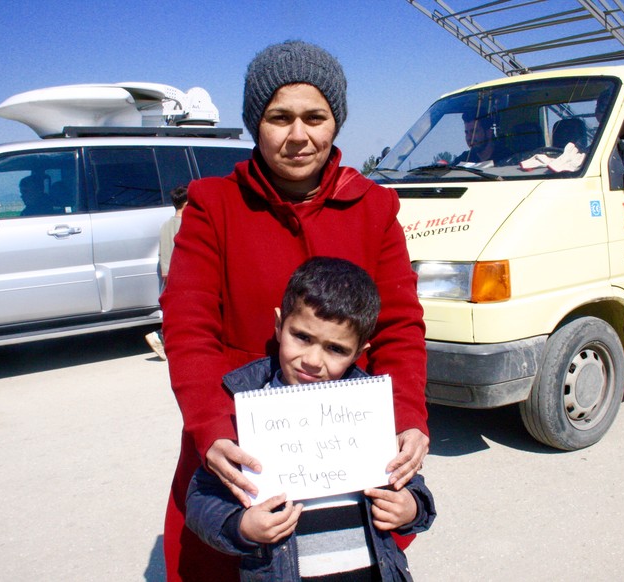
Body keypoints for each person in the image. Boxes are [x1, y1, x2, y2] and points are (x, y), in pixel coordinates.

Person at [159, 40, 429, 581]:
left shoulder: (374, 207)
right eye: (279, 118)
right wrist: (211, 427)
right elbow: (189, 327)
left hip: (347, 441)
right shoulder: (215, 206)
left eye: (315, 117)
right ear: (255, 125)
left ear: (336, 122)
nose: (299, 136)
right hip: (242, 440)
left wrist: (409, 419)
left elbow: (400, 325)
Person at [184, 257, 435, 580]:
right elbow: (202, 499)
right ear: (279, 325)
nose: (313, 360)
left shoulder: (369, 409)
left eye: (336, 349)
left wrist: (410, 506)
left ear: (360, 351)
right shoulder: (244, 412)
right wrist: (241, 526)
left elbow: (410, 483)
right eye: (302, 337)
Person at [145, 186, 188, 360]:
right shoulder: (186, 225)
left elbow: (163, 251)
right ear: (187, 204)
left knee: (177, 313)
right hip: (182, 276)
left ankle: (165, 341)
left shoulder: (165, 225)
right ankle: (159, 336)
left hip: (169, 275)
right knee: (183, 314)